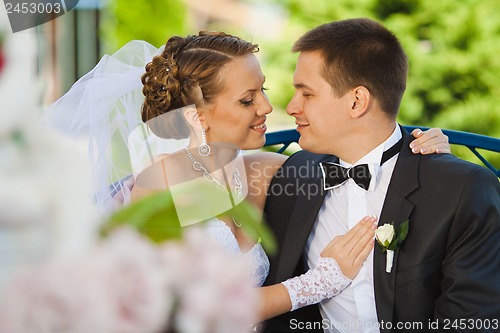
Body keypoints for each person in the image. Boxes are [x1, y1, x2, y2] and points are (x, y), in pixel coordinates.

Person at [43, 31, 450, 323]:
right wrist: (321, 281)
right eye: (246, 99)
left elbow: (358, 146)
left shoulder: (261, 169)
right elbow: (188, 308)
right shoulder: (162, 183)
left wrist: (421, 146)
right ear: (195, 116)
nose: (268, 107)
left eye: (263, 90)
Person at [262, 18, 500, 333]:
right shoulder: (290, 174)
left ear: (357, 101)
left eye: (306, 94)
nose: (291, 107)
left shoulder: (461, 191)